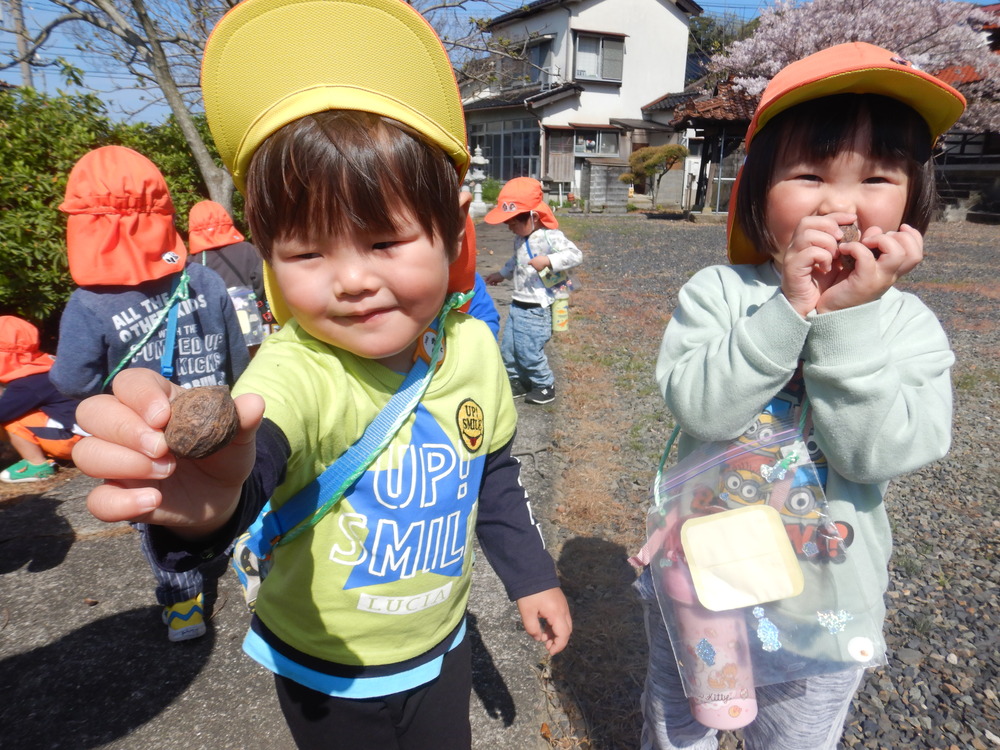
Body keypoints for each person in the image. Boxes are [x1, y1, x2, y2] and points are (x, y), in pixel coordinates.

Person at [71, 0, 572, 747]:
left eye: (384, 239)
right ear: (270, 264)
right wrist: (208, 501)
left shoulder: (469, 350)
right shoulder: (295, 370)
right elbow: (253, 457)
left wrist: (531, 574)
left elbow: (493, 471)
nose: (351, 281)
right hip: (324, 671)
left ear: (454, 230)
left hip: (440, 647)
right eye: (308, 252)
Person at [635, 43, 965, 749]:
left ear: (914, 198)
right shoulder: (719, 295)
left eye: (877, 177)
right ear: (757, 191)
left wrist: (846, 319)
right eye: (809, 174)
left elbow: (874, 452)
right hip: (702, 584)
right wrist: (788, 309)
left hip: (825, 599)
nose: (840, 203)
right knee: (679, 722)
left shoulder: (907, 325)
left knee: (795, 739)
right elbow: (702, 409)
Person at [50, 145, 250, 642]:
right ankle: (251, 564)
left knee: (156, 514)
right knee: (237, 497)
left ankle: (184, 607)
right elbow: (236, 359)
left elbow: (72, 381)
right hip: (217, 424)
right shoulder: (202, 277)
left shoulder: (90, 303)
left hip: (147, 440)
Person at [484, 177, 582, 405]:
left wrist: (548, 259)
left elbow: (575, 255)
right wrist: (502, 274)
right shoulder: (520, 238)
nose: (510, 228)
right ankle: (517, 382)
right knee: (509, 348)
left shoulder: (549, 236)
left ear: (534, 217)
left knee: (529, 350)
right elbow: (515, 261)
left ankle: (544, 384)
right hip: (518, 302)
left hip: (537, 307)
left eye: (513, 222)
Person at [0, 316, 84, 483]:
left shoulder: (27, 383)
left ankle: (37, 466)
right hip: (86, 429)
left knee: (12, 419)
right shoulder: (44, 364)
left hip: (76, 441)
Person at [187, 199, 273, 346]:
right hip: (253, 325)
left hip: (217, 330)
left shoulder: (193, 261)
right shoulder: (248, 249)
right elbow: (261, 281)